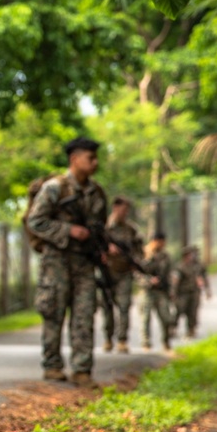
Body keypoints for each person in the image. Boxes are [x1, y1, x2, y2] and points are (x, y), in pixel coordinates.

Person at [26, 137, 109, 388]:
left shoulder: (97, 193)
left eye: (96, 158)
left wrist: (104, 248)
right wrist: (68, 230)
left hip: (84, 262)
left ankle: (82, 369)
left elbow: (100, 228)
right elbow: (35, 221)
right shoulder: (54, 188)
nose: (95, 163)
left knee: (84, 314)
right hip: (57, 262)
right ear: (75, 159)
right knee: (54, 312)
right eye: (90, 158)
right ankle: (52, 365)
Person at [101, 197, 144, 354]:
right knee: (107, 307)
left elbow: (139, 249)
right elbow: (95, 245)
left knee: (124, 306)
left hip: (124, 272)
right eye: (123, 209)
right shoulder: (104, 228)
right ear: (115, 208)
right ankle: (107, 337)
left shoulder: (131, 229)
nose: (125, 213)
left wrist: (136, 262)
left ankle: (122, 340)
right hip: (107, 272)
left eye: (127, 210)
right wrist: (106, 249)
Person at [139, 233, 174, 352]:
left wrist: (171, 291)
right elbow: (137, 272)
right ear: (154, 241)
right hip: (147, 291)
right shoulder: (143, 254)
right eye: (161, 242)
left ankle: (166, 342)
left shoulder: (165, 256)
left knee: (166, 317)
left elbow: (169, 274)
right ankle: (146, 342)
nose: (163, 244)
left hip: (161, 291)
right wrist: (149, 280)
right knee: (146, 318)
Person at [173, 245, 210, 339]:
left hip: (194, 292)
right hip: (183, 293)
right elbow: (175, 281)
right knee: (180, 310)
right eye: (190, 255)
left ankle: (191, 329)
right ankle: (173, 327)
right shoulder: (180, 266)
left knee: (193, 312)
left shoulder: (199, 266)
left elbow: (204, 278)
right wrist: (173, 292)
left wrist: (207, 290)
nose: (193, 256)